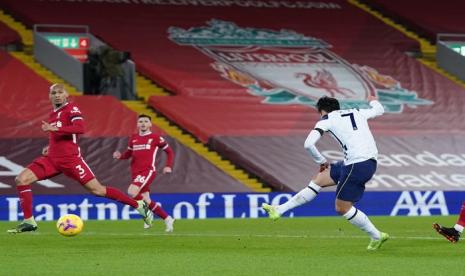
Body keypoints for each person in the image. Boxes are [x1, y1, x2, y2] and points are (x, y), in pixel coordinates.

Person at [7, 83, 153, 233]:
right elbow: (61, 136)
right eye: (54, 93)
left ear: (66, 95)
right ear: (49, 96)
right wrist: (51, 146)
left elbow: (79, 128)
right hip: (52, 159)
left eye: (60, 92)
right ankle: (29, 221)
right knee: (21, 179)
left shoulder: (71, 109)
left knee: (98, 190)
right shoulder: (53, 114)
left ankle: (139, 206)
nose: (57, 95)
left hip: (71, 160)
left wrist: (55, 129)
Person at [262, 95, 388, 250]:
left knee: (342, 208)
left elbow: (308, 144)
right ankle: (279, 209)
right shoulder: (357, 112)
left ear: (321, 111)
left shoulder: (326, 119)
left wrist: (321, 161)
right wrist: (372, 99)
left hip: (357, 164)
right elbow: (379, 110)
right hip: (361, 162)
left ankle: (376, 235)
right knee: (319, 180)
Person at [113, 114, 175, 232]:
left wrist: (168, 166)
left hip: (147, 171)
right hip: (135, 172)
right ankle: (167, 219)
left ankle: (147, 214)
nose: (143, 123)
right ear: (137, 124)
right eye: (140, 121)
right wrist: (120, 156)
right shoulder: (134, 138)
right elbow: (128, 154)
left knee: (131, 191)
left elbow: (170, 152)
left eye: (146, 121)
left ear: (150, 124)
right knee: (146, 200)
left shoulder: (156, 137)